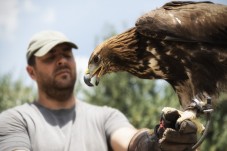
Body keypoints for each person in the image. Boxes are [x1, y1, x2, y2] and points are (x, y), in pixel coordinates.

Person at [0, 31, 197, 151]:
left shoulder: (104, 116)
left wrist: (153, 142)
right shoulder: (16, 119)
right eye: (50, 57)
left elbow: (131, 140)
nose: (61, 60)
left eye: (66, 54)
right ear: (31, 72)